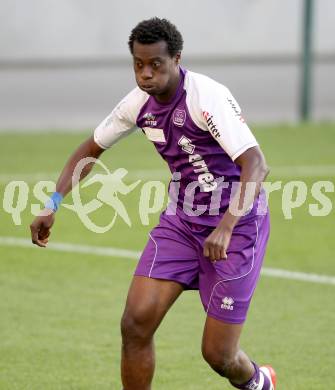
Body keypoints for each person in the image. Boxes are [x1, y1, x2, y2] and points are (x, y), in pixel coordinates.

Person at [30, 17, 276, 390]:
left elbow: (256, 164)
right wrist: (53, 203)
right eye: (138, 64)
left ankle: (259, 381)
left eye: (155, 64)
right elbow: (89, 150)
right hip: (182, 222)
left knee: (218, 356)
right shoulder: (137, 103)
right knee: (135, 324)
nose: (146, 74)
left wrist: (225, 227)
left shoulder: (206, 96)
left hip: (237, 225)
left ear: (176, 59)